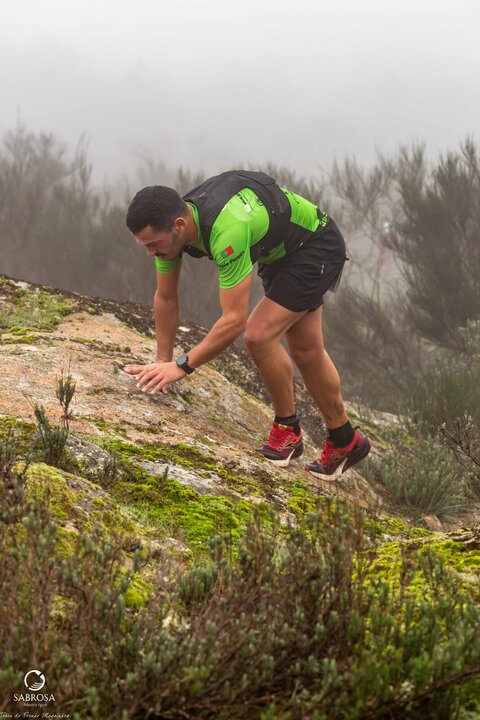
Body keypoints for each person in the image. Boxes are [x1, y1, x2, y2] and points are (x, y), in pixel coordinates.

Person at [124, 170, 371, 480]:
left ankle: (287, 431)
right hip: (279, 252)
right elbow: (166, 298)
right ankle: (345, 440)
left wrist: (181, 366)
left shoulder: (227, 230)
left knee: (259, 335)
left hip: (314, 246)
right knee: (306, 350)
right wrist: (162, 363)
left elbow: (234, 321)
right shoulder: (173, 228)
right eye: (145, 246)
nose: (150, 253)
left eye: (152, 244)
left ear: (179, 225)